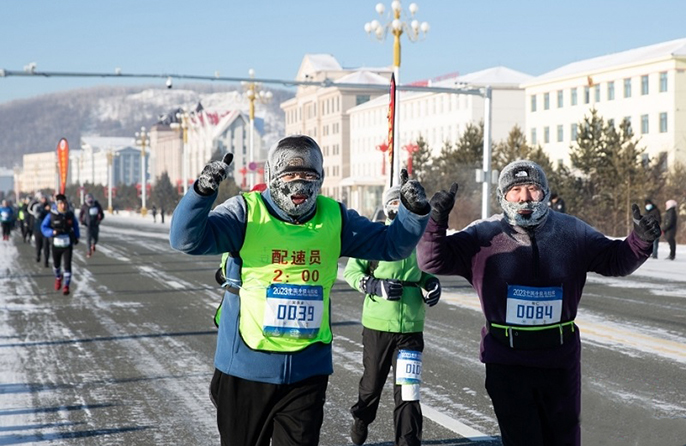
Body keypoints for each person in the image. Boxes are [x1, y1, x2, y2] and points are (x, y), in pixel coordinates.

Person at [169, 135, 430, 446]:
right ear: (271, 176)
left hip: (307, 373)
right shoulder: (245, 212)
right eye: (290, 175)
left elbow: (392, 245)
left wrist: (413, 213)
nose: (299, 185)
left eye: (308, 176)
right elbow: (185, 239)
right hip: (245, 370)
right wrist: (201, 192)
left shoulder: (335, 217)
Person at [417, 160, 660, 446]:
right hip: (506, 361)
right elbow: (432, 259)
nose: (524, 197)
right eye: (515, 190)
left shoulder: (572, 231)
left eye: (532, 188)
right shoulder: (483, 234)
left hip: (559, 360)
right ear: (502, 196)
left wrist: (640, 241)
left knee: (564, 440)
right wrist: (436, 221)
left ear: (545, 192)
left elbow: (615, 259)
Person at [343, 185, 441, 446]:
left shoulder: (420, 238)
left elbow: (427, 271)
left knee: (408, 391)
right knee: (372, 384)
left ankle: (408, 441)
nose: (398, 207)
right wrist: (374, 285)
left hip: (411, 325)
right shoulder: (377, 235)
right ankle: (362, 417)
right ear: (387, 207)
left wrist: (432, 284)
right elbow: (351, 273)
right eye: (394, 202)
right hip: (378, 324)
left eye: (403, 203)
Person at [42, 194, 80, 295]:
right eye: (61, 204)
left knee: (67, 266)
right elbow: (44, 227)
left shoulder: (70, 214)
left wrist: (77, 236)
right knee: (56, 266)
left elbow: (75, 226)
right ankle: (58, 278)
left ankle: (66, 286)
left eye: (65, 203)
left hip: (67, 244)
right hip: (56, 244)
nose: (63, 206)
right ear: (57, 204)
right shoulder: (51, 215)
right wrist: (52, 232)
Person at [79, 193, 104, 258]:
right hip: (88, 224)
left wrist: (99, 219)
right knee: (88, 239)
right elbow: (81, 214)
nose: (90, 200)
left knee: (95, 238)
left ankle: (93, 244)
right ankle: (89, 251)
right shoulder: (84, 206)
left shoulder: (97, 205)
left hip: (95, 224)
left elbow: (101, 214)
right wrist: (81, 221)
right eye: (88, 199)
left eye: (91, 198)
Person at [30, 193, 52, 267]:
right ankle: (38, 255)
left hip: (46, 230)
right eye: (42, 198)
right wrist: (44, 210)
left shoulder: (50, 207)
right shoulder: (37, 206)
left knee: (46, 246)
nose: (44, 200)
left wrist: (49, 210)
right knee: (38, 245)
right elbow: (37, 215)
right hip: (38, 229)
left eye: (45, 199)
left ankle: (46, 261)